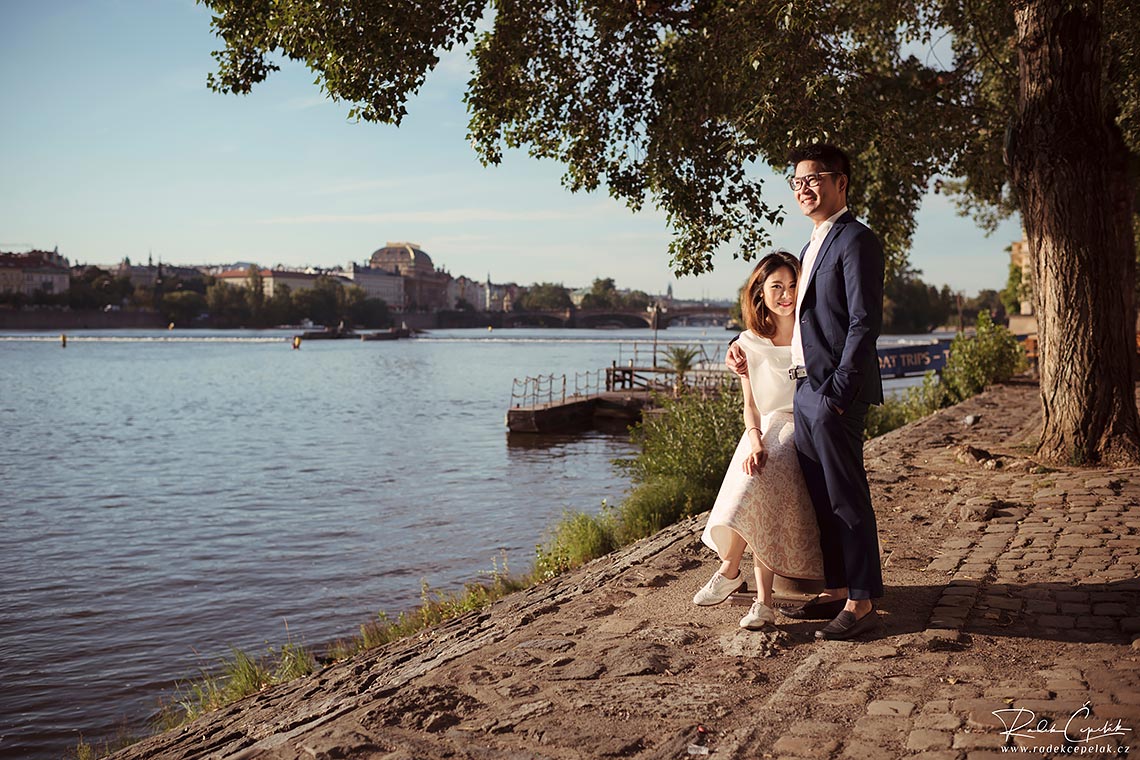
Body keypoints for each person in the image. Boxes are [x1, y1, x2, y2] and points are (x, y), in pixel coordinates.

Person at [726, 143, 885, 641]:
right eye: (797, 182)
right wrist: (743, 348)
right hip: (807, 391)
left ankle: (862, 600)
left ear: (842, 182)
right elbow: (793, 321)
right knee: (821, 497)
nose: (805, 188)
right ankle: (838, 587)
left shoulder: (857, 240)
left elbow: (863, 322)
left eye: (815, 178)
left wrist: (838, 391)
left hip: (834, 392)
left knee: (846, 495)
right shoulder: (813, 243)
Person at [693, 251, 824, 630]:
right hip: (765, 425)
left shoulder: (810, 334)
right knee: (758, 471)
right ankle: (760, 601)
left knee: (762, 477)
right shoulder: (748, 344)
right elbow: (750, 406)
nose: (786, 294)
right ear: (760, 293)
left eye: (792, 285)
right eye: (776, 287)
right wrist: (754, 440)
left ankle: (731, 570)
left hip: (804, 422)